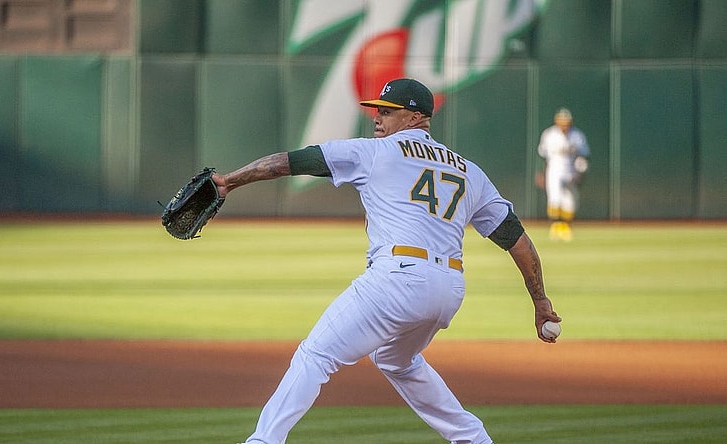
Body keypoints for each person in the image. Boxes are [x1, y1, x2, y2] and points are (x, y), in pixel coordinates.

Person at [214, 78, 561, 444]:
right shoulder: (468, 171)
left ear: (415, 117)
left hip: (398, 278)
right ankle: (474, 439)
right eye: (377, 109)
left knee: (315, 354)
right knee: (396, 359)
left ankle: (263, 441)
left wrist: (231, 181)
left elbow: (287, 163)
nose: (377, 117)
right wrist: (540, 301)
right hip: (448, 289)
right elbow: (517, 241)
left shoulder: (373, 152)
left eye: (387, 111)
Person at [537, 108, 590, 241]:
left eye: (566, 122)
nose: (564, 124)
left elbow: (584, 155)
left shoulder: (577, 136)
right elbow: (542, 155)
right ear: (557, 121)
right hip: (554, 169)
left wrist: (581, 172)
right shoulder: (549, 134)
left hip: (571, 170)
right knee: (555, 198)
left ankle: (566, 227)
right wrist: (541, 172)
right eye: (562, 121)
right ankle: (555, 227)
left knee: (570, 201)